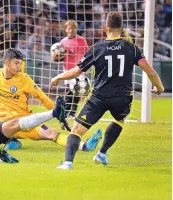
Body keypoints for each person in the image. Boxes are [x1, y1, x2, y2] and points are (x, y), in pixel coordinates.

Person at [51, 12, 165, 169]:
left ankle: (68, 163)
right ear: (122, 28)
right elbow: (150, 71)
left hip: (99, 97)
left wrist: (58, 77)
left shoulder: (97, 48)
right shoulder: (131, 48)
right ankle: (102, 153)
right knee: (119, 120)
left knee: (77, 130)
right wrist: (159, 87)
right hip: (122, 97)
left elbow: (76, 72)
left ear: (106, 28)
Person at [0, 48, 101, 152]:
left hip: (25, 122)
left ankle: (83, 145)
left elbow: (42, 98)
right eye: (16, 63)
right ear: (6, 62)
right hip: (3, 125)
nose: (19, 67)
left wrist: (59, 114)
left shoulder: (24, 79)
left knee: (51, 133)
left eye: (21, 64)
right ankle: (10, 139)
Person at [52, 20, 89, 117]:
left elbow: (87, 53)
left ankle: (70, 112)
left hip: (79, 70)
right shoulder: (62, 42)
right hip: (68, 70)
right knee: (71, 91)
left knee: (75, 91)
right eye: (69, 28)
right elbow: (59, 57)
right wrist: (55, 57)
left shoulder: (82, 40)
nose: (71, 30)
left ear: (76, 29)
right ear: (66, 30)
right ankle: (68, 112)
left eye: (73, 28)